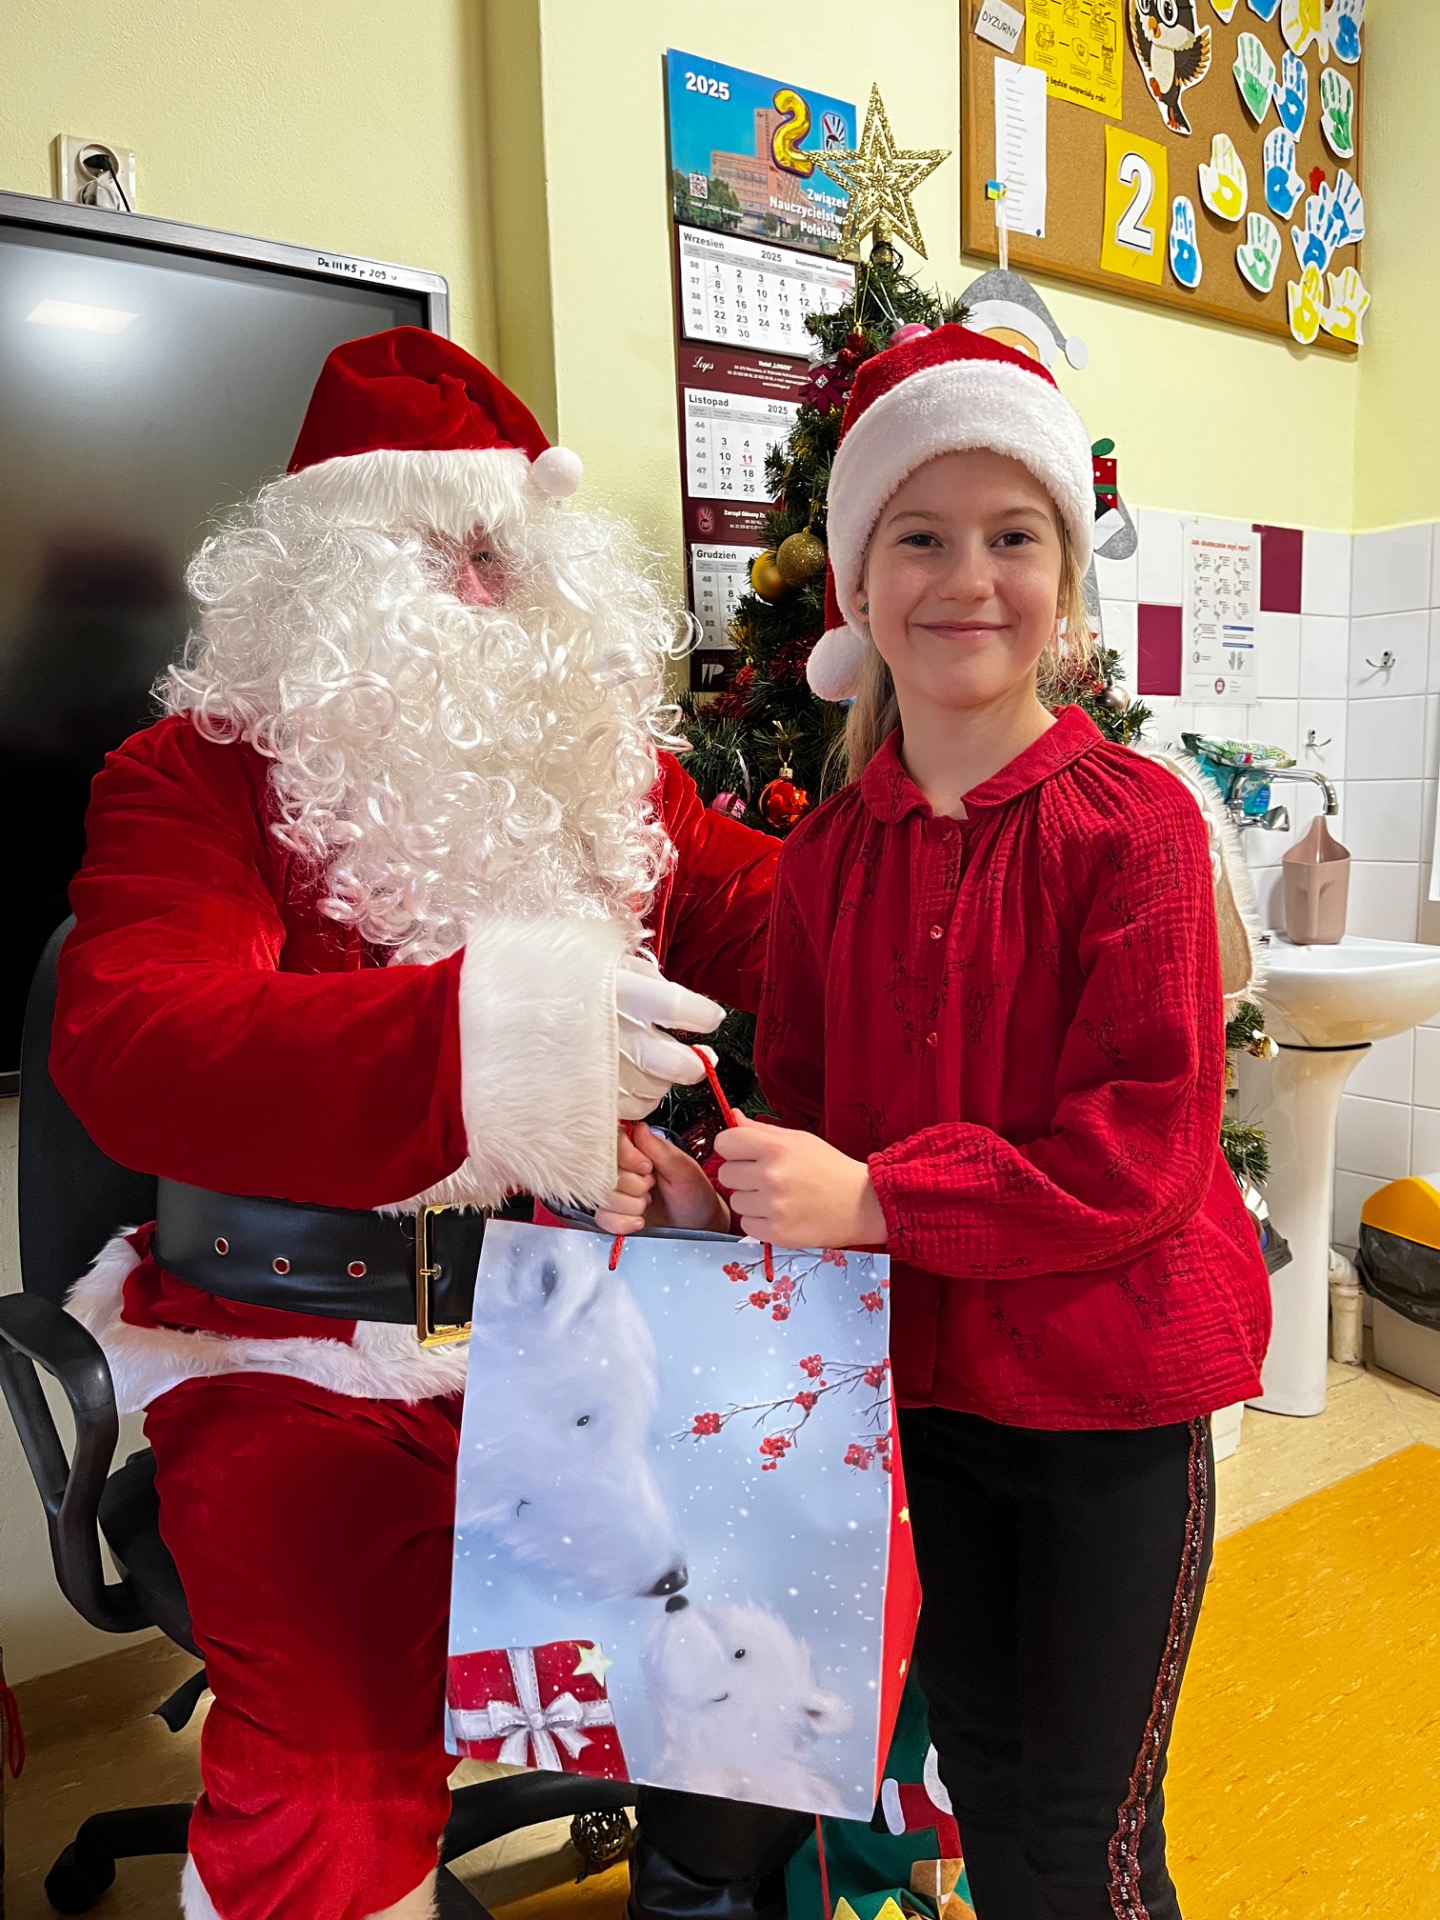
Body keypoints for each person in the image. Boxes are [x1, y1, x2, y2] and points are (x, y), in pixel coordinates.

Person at [50, 329, 800, 1920]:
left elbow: (800, 928)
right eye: (428, 555)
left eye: (502, 558)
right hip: (293, 1357)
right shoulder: (196, 783)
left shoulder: (608, 787)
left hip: (583, 1334)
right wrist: (488, 1045)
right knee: (329, 1782)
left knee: (767, 1649)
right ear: (313, 580)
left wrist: (1038, 870)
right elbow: (137, 1036)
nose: (475, 592)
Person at [661, 325, 1271, 1919]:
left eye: (1014, 537)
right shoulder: (827, 860)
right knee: (982, 1791)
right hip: (923, 1408)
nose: (969, 580)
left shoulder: (1135, 828)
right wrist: (723, 1196)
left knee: (1079, 1839)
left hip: (1105, 1411)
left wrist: (880, 1203)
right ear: (859, 585)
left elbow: (1141, 1156)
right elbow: (809, 1119)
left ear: (1063, 580)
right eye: (920, 538)